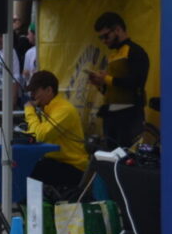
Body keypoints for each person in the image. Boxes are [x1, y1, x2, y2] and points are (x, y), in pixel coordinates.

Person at [88, 12, 149, 148]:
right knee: (110, 156)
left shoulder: (135, 51)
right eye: (101, 38)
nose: (104, 41)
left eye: (106, 36)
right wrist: (100, 84)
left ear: (117, 30)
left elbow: (136, 82)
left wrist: (107, 79)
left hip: (129, 115)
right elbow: (115, 88)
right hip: (111, 114)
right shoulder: (113, 55)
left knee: (125, 156)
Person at [24, 70, 89, 193]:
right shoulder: (48, 108)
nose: (32, 96)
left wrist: (29, 112)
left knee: (30, 170)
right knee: (26, 165)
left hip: (73, 166)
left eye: (35, 91)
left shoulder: (64, 109)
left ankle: (35, 208)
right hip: (56, 161)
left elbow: (40, 135)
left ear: (49, 90)